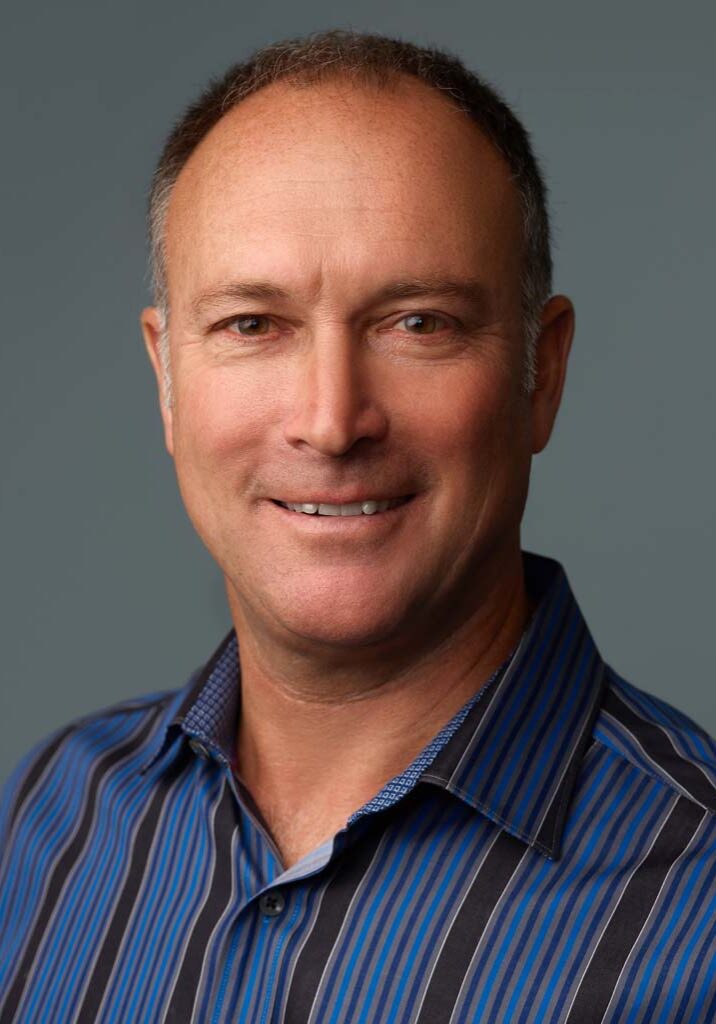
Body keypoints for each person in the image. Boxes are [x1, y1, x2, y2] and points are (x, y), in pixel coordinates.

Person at [1, 28, 714, 1024]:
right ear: (166, 378)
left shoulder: (697, 906)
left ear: (541, 374)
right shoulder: (47, 824)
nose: (332, 422)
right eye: (253, 324)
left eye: (418, 322)